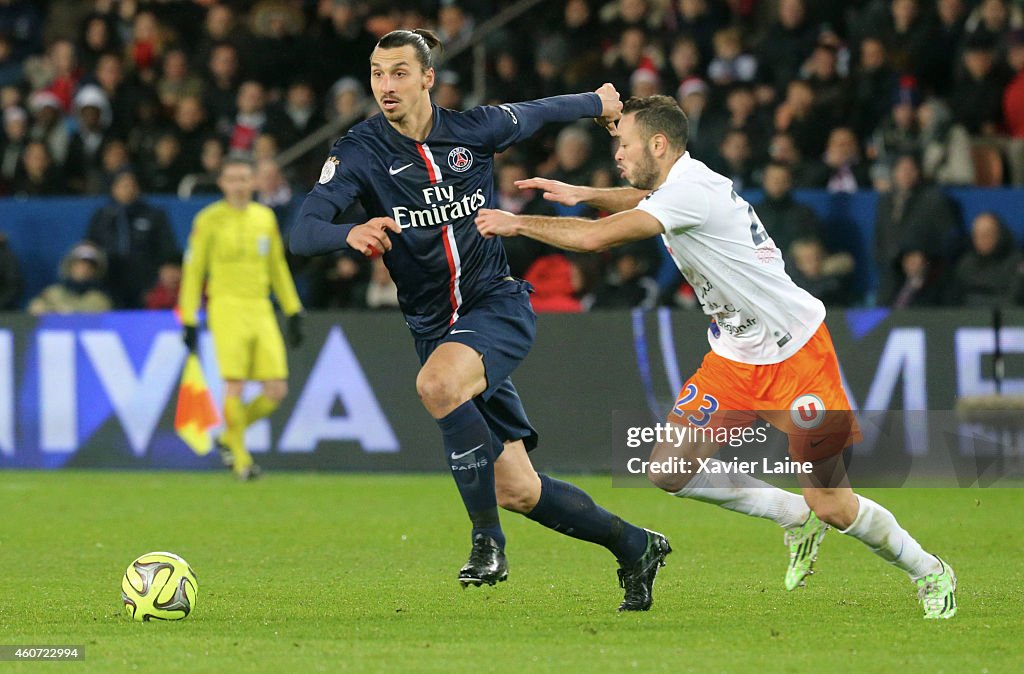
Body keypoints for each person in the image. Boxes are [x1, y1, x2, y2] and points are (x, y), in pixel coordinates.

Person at [476, 95, 958, 620]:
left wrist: (520, 224)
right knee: (670, 470)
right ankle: (791, 514)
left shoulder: (690, 193)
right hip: (734, 356)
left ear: (658, 145)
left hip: (796, 355)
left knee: (835, 504)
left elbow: (595, 239)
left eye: (625, 143)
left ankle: (929, 569)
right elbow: (642, 197)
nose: (616, 151)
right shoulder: (677, 183)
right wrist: (582, 192)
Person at [289, 29, 670, 611]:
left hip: (496, 305)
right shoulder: (358, 153)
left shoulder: (472, 131)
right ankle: (635, 545)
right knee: (519, 489)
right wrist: (348, 231)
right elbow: (302, 228)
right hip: (434, 329)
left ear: (426, 79)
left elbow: (538, 112)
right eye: (375, 73)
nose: (384, 85)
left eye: (396, 72)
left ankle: (486, 542)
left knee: (437, 385)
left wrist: (600, 102)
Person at [179, 157, 304, 481]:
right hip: (226, 306)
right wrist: (189, 317)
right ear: (221, 183)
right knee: (234, 384)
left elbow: (277, 266)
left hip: (260, 307)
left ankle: (226, 436)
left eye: (244, 178)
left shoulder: (264, 218)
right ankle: (242, 461)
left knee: (276, 390)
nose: (238, 184)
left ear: (254, 183)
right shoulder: (208, 220)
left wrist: (292, 309)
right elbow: (193, 272)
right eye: (232, 178)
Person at [85, 169, 179, 308]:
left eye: (131, 185)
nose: (128, 190)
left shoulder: (153, 215)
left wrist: (166, 269)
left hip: (146, 282)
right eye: (123, 186)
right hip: (109, 282)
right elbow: (90, 246)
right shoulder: (101, 216)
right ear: (113, 189)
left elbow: (167, 246)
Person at [28, 242, 112, 315]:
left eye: (90, 267)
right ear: (70, 266)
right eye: (79, 265)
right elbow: (34, 309)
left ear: (96, 271)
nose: (84, 270)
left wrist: (68, 311)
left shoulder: (99, 299)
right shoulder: (52, 293)